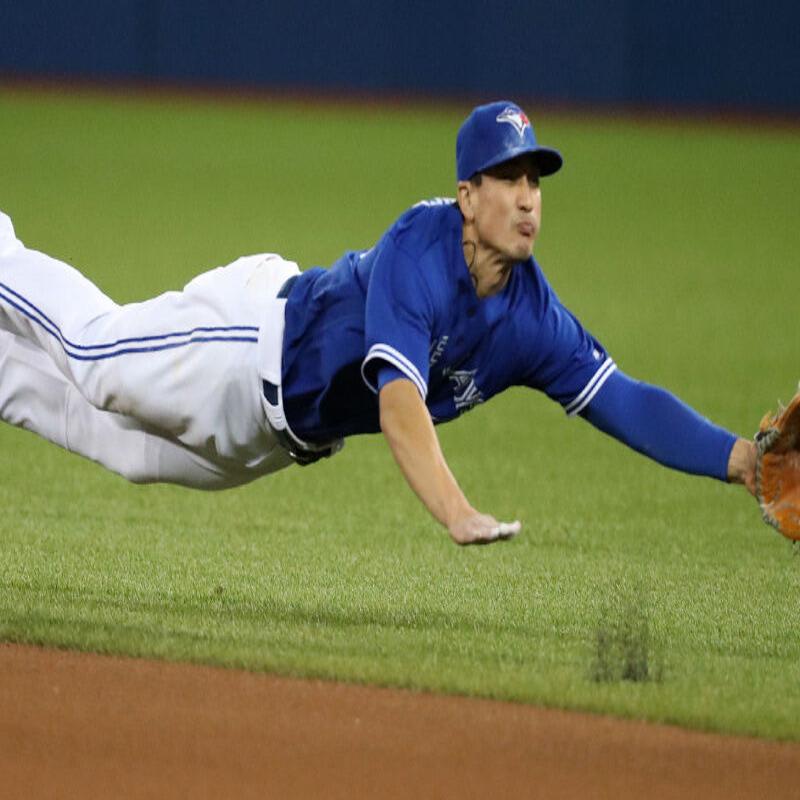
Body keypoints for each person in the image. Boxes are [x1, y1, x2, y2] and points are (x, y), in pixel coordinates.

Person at [0, 100, 756, 545]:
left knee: (119, 448)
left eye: (535, 180)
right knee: (93, 356)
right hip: (245, 339)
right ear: (468, 195)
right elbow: (400, 405)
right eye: (509, 178)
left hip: (280, 437)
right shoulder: (418, 248)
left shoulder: (532, 317)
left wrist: (740, 460)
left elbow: (623, 398)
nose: (528, 197)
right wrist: (456, 512)